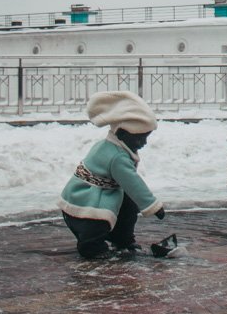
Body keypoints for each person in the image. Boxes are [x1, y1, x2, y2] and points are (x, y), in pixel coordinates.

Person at [58, 90, 168, 258]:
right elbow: (132, 183)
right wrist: (153, 206)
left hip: (86, 194)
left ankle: (121, 238)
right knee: (101, 214)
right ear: (123, 134)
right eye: (140, 138)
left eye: (146, 137)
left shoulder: (111, 145)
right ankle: (91, 246)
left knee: (128, 204)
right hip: (85, 200)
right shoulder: (117, 157)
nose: (144, 143)